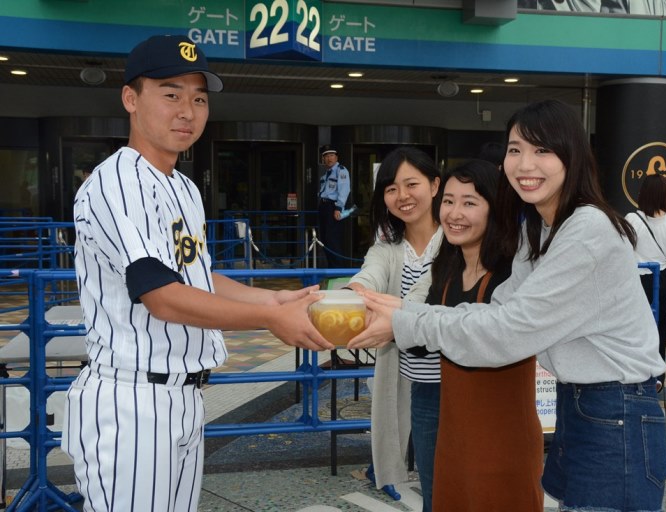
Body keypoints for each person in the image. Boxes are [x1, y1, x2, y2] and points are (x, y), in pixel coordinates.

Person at [349, 99, 666, 512]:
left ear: (571, 156)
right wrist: (404, 316)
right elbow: (497, 310)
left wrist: (404, 321)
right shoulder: (541, 230)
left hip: (616, 407)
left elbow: (508, 331)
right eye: (515, 150)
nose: (524, 164)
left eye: (542, 150)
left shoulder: (587, 229)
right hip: (587, 404)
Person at [62, 34, 333, 512]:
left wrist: (273, 300)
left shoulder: (184, 186)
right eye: (171, 94)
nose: (187, 110)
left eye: (199, 98)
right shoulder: (117, 181)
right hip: (132, 399)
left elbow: (197, 277)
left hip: (184, 397)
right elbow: (161, 295)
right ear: (131, 98)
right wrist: (269, 322)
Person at [428, 159, 543, 511]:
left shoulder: (513, 271)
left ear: (495, 209)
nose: (454, 213)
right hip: (454, 437)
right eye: (448, 201)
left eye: (469, 202)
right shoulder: (446, 266)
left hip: (504, 440)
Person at [344, 146, 442, 511]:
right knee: (434, 483)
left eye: (411, 184)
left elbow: (425, 291)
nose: (402, 196)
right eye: (390, 188)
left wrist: (392, 316)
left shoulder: (455, 237)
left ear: (435, 185)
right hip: (416, 379)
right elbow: (370, 273)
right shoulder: (388, 244)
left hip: (459, 378)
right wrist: (352, 295)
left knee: (460, 476)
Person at [626, 174, 666, 393]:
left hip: (637, 280)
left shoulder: (632, 219)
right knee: (660, 330)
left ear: (642, 194)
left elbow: (623, 249)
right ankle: (657, 377)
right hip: (664, 280)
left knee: (634, 330)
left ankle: (634, 375)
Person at [318, 144, 351, 268]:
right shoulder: (326, 174)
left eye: (331, 155)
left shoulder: (341, 170)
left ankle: (337, 270)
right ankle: (332, 268)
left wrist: (338, 208)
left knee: (333, 240)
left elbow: (344, 190)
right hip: (324, 207)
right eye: (326, 156)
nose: (329, 158)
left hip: (333, 207)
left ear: (336, 157)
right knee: (325, 240)